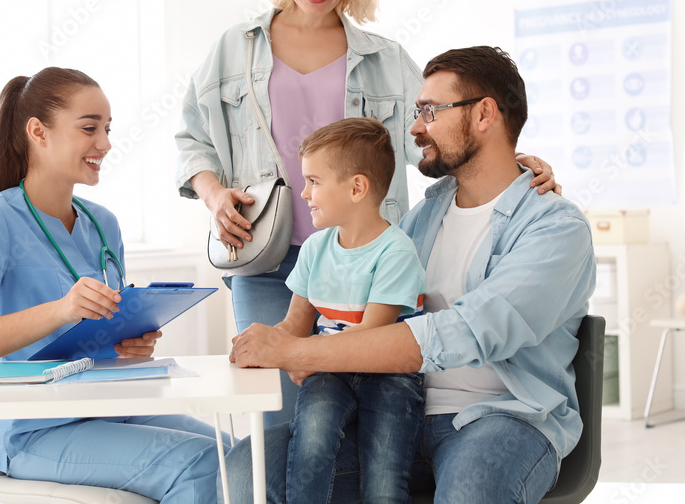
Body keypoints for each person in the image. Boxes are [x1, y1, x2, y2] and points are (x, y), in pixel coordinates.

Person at [174, 0, 558, 426]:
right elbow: (193, 140)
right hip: (265, 262)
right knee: (279, 419)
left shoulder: (386, 59)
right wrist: (215, 196)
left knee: (361, 415)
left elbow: (438, 132)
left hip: (366, 264)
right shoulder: (232, 51)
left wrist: (512, 163)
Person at [226, 46, 596, 504]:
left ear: (484, 115)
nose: (416, 126)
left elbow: (470, 330)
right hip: (396, 412)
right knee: (248, 469)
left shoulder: (554, 227)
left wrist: (303, 350)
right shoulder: (421, 219)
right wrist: (286, 340)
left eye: (429, 111)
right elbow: (362, 298)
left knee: (471, 491)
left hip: (499, 418)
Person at [0, 67, 221, 504]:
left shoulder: (102, 222)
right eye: (89, 128)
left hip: (113, 408)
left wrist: (132, 341)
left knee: (233, 455)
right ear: (38, 132)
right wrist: (62, 309)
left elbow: (104, 331)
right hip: (37, 429)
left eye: (107, 129)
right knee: (202, 465)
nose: (106, 143)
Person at [279, 118, 425, 504]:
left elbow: (374, 339)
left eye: (314, 181)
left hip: (388, 375)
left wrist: (305, 355)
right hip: (329, 371)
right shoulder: (314, 248)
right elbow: (296, 322)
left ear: (357, 187)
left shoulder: (397, 252)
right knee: (310, 442)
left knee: (384, 480)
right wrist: (261, 343)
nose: (304, 192)